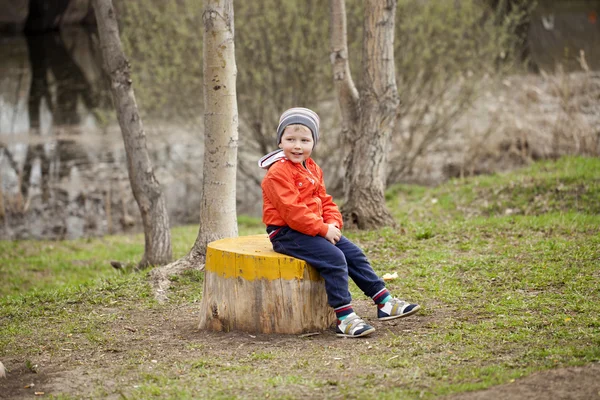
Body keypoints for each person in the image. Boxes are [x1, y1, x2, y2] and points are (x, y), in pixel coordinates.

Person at [258, 107, 421, 338]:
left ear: (314, 142)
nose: (297, 146)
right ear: (280, 141)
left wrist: (332, 223)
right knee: (334, 259)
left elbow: (325, 200)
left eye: (304, 140)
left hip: (314, 229)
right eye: (290, 139)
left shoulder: (312, 168)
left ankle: (384, 301)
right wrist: (322, 229)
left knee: (353, 253)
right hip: (287, 233)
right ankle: (344, 318)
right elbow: (292, 211)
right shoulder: (277, 174)